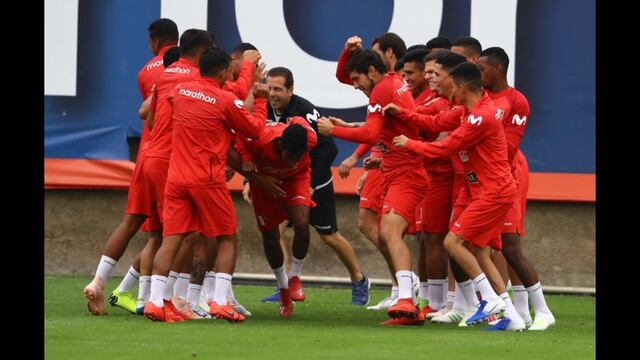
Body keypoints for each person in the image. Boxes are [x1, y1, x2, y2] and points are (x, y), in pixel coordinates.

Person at [391, 62, 526, 331]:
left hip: (492, 190)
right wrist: (403, 113)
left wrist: (410, 144)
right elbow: (434, 122)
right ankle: (513, 316)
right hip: (474, 188)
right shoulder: (467, 111)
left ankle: (488, 300)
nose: (448, 91)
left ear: (462, 88)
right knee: (479, 251)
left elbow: (446, 146)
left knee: (452, 243)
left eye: (452, 87)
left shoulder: (481, 117)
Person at [143, 46, 268, 323]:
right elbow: (255, 130)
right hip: (206, 178)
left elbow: (156, 114)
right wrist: (259, 101)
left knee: (172, 239)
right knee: (227, 236)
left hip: (176, 177)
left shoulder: (180, 91)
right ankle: (219, 301)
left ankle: (155, 301)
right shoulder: (224, 100)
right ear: (224, 71)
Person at [318, 50, 429, 325]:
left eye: (357, 79)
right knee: (384, 232)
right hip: (395, 170)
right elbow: (381, 128)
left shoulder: (382, 89)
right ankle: (408, 299)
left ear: (371, 70)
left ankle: (407, 297)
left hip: (408, 173)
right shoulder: (392, 82)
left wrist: (335, 131)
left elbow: (370, 133)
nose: (355, 85)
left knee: (390, 232)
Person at [83, 18, 179, 316]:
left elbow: (146, 111)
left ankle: (100, 281)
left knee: (131, 223)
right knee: (170, 232)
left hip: (145, 156)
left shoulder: (145, 73)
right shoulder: (187, 71)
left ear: (154, 42)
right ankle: (155, 298)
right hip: (170, 157)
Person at [254, 66, 370, 305]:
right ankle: (286, 285)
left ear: (291, 90)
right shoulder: (262, 107)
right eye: (269, 87)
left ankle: (359, 279)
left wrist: (312, 185)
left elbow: (329, 148)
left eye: (278, 89)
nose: (272, 93)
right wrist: (251, 180)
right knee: (276, 231)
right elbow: (255, 147)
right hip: (280, 180)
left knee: (329, 235)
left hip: (312, 179)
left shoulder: (304, 111)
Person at [477, 47, 555, 330]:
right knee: (483, 246)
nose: (479, 74)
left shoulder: (516, 101)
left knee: (510, 247)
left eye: (483, 69)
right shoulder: (481, 98)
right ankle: (516, 312)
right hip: (484, 181)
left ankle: (542, 311)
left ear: (497, 69)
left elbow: (508, 148)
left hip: (504, 179)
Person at [236, 117, 318, 318]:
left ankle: (295, 277)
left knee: (301, 221)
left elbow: (298, 119)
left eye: (298, 157)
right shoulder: (260, 139)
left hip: (295, 179)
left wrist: (293, 120)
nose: (293, 162)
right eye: (289, 157)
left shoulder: (310, 138)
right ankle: (283, 289)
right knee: (270, 236)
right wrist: (249, 164)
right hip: (264, 180)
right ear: (281, 145)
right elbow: (237, 139)